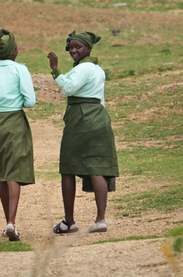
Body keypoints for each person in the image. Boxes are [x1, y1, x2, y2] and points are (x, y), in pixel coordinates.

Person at [47, 30, 119, 234]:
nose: (73, 51)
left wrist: (55, 70)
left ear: (88, 49)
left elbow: (68, 88)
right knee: (96, 166)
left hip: (81, 119)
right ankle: (100, 220)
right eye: (71, 47)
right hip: (100, 117)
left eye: (78, 47)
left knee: (68, 168)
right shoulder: (98, 69)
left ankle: (69, 222)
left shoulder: (82, 69)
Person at [0, 28, 36, 241]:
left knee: (2, 173)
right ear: (14, 52)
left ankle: (8, 224)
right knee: (13, 173)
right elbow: (30, 101)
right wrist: (13, 105)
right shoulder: (19, 70)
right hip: (13, 123)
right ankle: (12, 222)